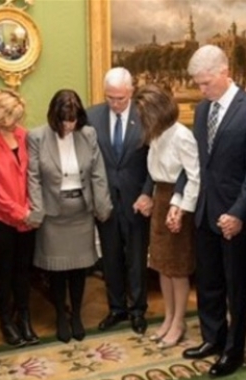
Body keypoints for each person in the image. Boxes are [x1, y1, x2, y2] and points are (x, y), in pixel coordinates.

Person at [179, 45, 246, 379]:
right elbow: (198, 164)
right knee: (209, 283)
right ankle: (213, 338)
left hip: (236, 218)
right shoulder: (202, 111)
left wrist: (239, 212)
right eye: (198, 83)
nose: (202, 90)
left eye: (206, 83)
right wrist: (183, 201)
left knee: (236, 286)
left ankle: (234, 350)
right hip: (205, 212)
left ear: (225, 71)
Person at [26, 89, 112, 343]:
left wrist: (102, 205)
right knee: (57, 269)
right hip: (53, 214)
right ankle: (61, 317)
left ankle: (76, 315)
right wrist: (37, 210)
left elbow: (97, 172)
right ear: (54, 117)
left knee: (78, 269)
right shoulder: (38, 136)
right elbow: (33, 176)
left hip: (81, 213)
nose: (69, 125)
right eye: (65, 121)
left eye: (74, 120)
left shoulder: (87, 134)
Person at [132, 84, 199, 349]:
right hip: (161, 199)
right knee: (160, 264)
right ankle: (169, 317)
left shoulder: (182, 136)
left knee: (177, 268)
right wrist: (148, 196)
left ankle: (179, 321)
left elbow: (194, 176)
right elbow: (154, 173)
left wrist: (180, 207)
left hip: (177, 203)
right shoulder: (157, 134)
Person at [87, 67, 152, 335]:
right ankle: (116, 308)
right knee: (110, 257)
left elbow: (154, 160)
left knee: (136, 258)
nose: (114, 103)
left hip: (137, 200)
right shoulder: (91, 116)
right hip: (105, 202)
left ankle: (137, 310)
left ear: (131, 92)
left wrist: (148, 192)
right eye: (110, 97)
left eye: (120, 98)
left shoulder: (146, 117)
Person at [0, 89, 39, 347]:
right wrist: (19, 212)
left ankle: (24, 317)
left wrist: (31, 209)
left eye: (18, 117)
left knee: (24, 270)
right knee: (4, 270)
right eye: (11, 117)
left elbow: (33, 176)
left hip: (27, 214)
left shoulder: (24, 136)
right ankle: (6, 321)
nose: (16, 122)